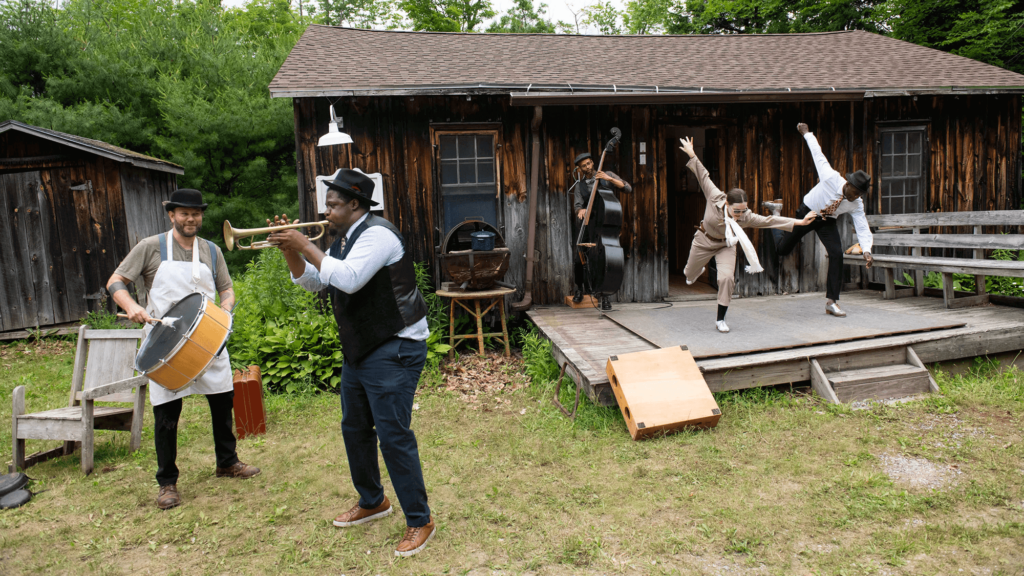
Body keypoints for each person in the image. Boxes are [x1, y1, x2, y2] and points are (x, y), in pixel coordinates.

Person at [267, 169, 435, 558]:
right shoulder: (343, 238)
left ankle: (419, 519)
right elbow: (315, 282)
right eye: (327, 205)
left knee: (393, 435)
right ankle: (373, 500)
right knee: (355, 427)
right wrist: (291, 250)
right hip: (364, 347)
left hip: (395, 345)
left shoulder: (377, 234)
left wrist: (305, 244)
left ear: (355, 204)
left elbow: (348, 279)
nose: (326, 212)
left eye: (333, 205)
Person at [106, 188, 260, 511]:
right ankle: (167, 483)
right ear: (171, 215)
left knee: (222, 400)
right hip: (166, 345)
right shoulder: (151, 247)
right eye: (184, 213)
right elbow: (116, 281)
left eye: (196, 213)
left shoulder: (212, 250)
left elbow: (226, 288)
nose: (191, 218)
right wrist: (132, 305)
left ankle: (227, 462)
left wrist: (227, 309)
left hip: (208, 339)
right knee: (166, 414)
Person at [678, 137, 818, 333]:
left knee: (726, 279)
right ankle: (696, 270)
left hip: (726, 244)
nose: (740, 215)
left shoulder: (746, 217)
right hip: (703, 240)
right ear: (727, 203)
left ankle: (720, 319)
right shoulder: (715, 196)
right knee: (688, 275)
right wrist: (692, 153)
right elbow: (703, 175)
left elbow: (769, 221)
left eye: (744, 210)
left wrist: (799, 222)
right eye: (737, 211)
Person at [765, 122, 874, 317]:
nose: (855, 197)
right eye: (854, 192)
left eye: (860, 194)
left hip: (827, 220)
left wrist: (866, 249)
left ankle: (832, 302)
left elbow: (862, 226)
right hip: (807, 212)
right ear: (847, 183)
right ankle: (776, 216)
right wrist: (807, 133)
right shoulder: (830, 177)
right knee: (782, 250)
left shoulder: (857, 204)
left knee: (836, 254)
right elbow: (818, 154)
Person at [571, 151, 632, 307]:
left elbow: (627, 188)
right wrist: (581, 211)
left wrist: (609, 178)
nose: (587, 167)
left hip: (604, 228)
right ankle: (579, 289)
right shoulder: (580, 186)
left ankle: (604, 296)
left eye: (589, 163)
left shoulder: (607, 175)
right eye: (583, 166)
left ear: (593, 162)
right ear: (580, 169)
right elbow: (577, 206)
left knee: (604, 261)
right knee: (579, 259)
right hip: (587, 226)